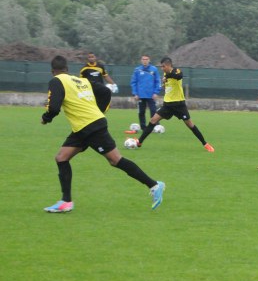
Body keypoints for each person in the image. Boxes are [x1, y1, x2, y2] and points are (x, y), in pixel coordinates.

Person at [41, 55, 165, 212]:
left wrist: (46, 118)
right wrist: (99, 112)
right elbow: (106, 91)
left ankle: (154, 185)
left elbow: (53, 107)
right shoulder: (80, 80)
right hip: (82, 128)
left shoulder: (56, 81)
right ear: (67, 68)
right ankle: (66, 202)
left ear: (53, 71)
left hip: (90, 127)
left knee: (115, 160)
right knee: (61, 158)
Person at [135, 56, 214, 152]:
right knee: (153, 120)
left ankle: (205, 144)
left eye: (163, 66)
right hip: (167, 105)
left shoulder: (177, 71)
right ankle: (139, 142)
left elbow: (179, 76)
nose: (162, 68)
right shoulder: (164, 74)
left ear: (168, 65)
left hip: (179, 105)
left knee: (190, 125)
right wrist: (163, 83)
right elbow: (166, 88)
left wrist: (166, 77)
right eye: (161, 66)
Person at [128, 54, 161, 132]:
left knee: (153, 111)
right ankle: (144, 128)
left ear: (149, 60)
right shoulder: (137, 70)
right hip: (140, 95)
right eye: (143, 59)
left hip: (151, 95)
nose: (145, 61)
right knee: (141, 112)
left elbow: (158, 82)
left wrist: (156, 92)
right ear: (141, 60)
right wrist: (135, 93)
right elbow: (133, 82)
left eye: (146, 59)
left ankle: (155, 127)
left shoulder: (154, 69)